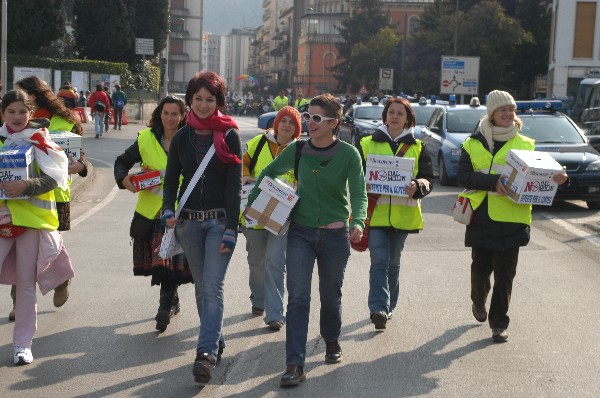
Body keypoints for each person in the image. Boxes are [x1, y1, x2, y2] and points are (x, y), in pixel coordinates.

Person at [246, 93, 367, 387]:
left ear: (334, 123)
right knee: (298, 298)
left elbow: (359, 194)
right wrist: (254, 200)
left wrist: (359, 221)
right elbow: (267, 173)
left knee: (330, 296)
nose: (309, 123)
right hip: (299, 232)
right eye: (307, 116)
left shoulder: (349, 154)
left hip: (335, 235)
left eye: (316, 118)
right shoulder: (298, 151)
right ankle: (294, 363)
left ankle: (331, 340)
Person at [456, 90, 569, 343]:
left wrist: (560, 178)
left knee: (505, 276)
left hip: (514, 218)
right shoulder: (473, 143)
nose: (508, 114)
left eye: (511, 110)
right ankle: (478, 301)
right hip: (482, 216)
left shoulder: (526, 144)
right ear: (492, 114)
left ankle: (498, 324)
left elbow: (545, 174)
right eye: (502, 110)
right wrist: (492, 181)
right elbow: (462, 176)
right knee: (480, 270)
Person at [161, 71, 242, 384]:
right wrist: (169, 208)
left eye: (210, 99)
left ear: (219, 101)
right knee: (201, 286)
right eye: (198, 99)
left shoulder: (230, 135)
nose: (204, 104)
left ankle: (205, 352)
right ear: (189, 101)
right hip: (189, 224)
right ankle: (215, 339)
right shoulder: (183, 137)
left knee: (212, 286)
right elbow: (171, 180)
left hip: (220, 222)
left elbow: (234, 186)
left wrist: (232, 228)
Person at [0, 89, 73, 365]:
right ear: (3, 113)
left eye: (22, 111)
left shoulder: (40, 140)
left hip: (30, 223)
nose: (17, 117)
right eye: (11, 111)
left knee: (25, 285)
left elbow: (55, 176)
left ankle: (22, 345)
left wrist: (25, 186)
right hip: (1, 220)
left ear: (31, 113)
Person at [12, 75, 89, 319]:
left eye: (20, 94)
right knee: (20, 251)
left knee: (48, 248)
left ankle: (61, 278)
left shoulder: (63, 122)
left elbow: (79, 156)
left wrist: (81, 165)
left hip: (54, 197)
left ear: (33, 96)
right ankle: (19, 303)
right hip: (21, 197)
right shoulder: (15, 120)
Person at [114, 96, 191, 332]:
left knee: (169, 261)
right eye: (166, 113)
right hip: (152, 211)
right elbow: (121, 161)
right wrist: (123, 178)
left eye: (174, 114)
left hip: (181, 210)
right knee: (163, 261)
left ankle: (164, 307)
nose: (170, 118)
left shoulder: (190, 139)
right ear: (159, 114)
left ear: (182, 116)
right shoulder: (145, 139)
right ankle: (170, 302)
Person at [358, 97, 434, 331]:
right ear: (385, 116)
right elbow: (357, 176)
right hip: (376, 214)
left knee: (393, 263)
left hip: (404, 217)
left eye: (400, 113)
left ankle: (389, 306)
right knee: (379, 261)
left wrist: (417, 185)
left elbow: (428, 179)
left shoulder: (418, 146)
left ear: (408, 119)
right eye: (391, 112)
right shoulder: (367, 143)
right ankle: (378, 308)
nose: (395, 117)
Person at [242, 106, 301, 330]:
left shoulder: (299, 150)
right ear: (276, 123)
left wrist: (296, 187)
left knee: (275, 261)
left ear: (297, 129)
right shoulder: (258, 142)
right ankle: (259, 300)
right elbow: (243, 162)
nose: (287, 125)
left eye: (292, 123)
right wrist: (246, 176)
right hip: (255, 211)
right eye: (283, 120)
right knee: (256, 261)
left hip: (282, 213)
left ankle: (275, 313)